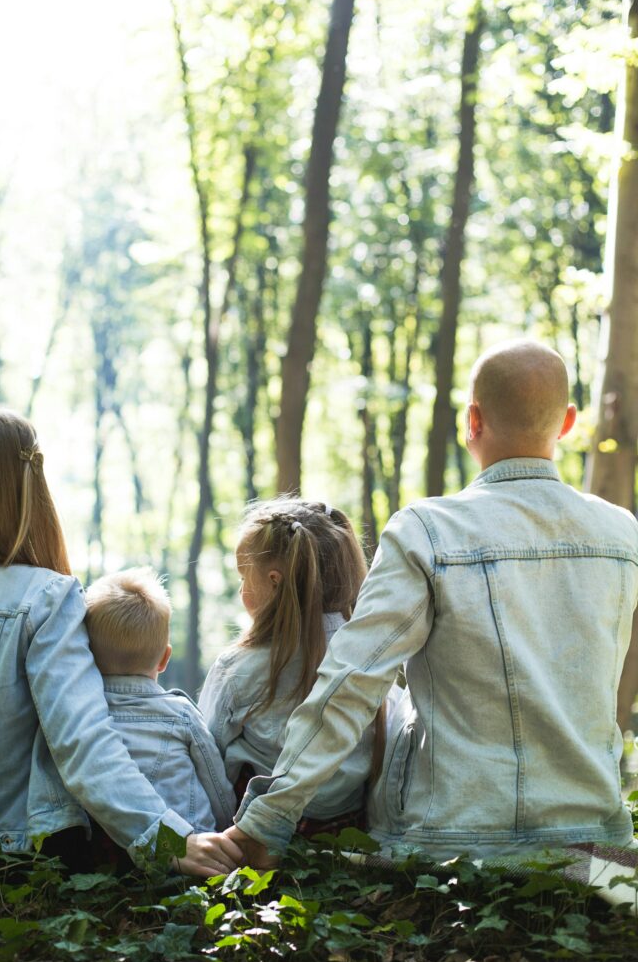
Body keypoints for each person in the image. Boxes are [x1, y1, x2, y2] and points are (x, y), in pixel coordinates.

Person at [220, 340, 638, 867]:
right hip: (595, 844)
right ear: (569, 422)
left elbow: (351, 682)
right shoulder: (623, 535)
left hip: (448, 842)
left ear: (472, 421)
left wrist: (269, 819)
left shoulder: (428, 531)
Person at [0, 408, 242, 877]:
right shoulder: (45, 597)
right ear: (30, 490)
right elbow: (83, 741)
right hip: (22, 862)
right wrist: (167, 839)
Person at [198, 497, 389, 835]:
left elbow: (208, 759)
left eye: (244, 578)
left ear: (274, 580)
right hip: (348, 829)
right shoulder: (371, 656)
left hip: (258, 834)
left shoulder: (239, 667)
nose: (242, 590)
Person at [84, 567, 235, 835]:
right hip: (190, 845)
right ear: (165, 659)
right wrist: (226, 829)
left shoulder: (81, 716)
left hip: (111, 853)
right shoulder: (181, 715)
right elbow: (216, 785)